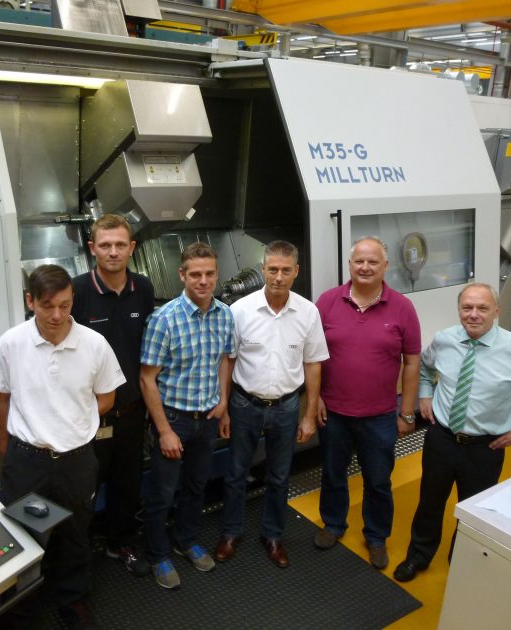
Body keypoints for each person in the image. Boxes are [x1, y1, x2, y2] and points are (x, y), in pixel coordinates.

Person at [393, 283, 511, 582]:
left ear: (496, 311)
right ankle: (418, 556)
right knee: (429, 502)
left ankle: (461, 564)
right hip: (441, 439)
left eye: (482, 308)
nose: (473, 314)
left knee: (473, 510)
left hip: (485, 448)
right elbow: (424, 368)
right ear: (459, 310)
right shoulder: (445, 340)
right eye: (467, 307)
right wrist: (425, 394)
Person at [0, 264, 125, 629]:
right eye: (47, 306)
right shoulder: (11, 343)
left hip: (76, 460)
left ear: (72, 300)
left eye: (64, 305)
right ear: (30, 301)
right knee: (23, 533)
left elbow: (107, 398)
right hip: (27, 460)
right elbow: (3, 396)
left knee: (75, 532)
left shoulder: (94, 344)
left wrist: (71, 417)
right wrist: (4, 441)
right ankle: (20, 608)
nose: (56, 315)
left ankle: (73, 599)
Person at [215, 241, 329, 568]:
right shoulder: (240, 311)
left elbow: (313, 365)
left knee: (279, 476)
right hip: (244, 404)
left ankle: (273, 535)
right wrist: (224, 407)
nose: (279, 277)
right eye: (273, 269)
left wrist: (309, 414)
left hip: (286, 407)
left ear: (296, 272)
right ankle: (231, 532)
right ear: (263, 269)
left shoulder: (308, 312)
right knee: (236, 473)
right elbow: (228, 360)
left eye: (286, 270)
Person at [314, 236, 421, 570]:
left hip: (380, 416)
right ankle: (333, 524)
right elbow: (311, 356)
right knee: (333, 473)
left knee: (378, 480)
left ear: (385, 266)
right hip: (333, 412)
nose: (365, 267)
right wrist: (315, 398)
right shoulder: (327, 302)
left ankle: (376, 537)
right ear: (349, 265)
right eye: (359, 261)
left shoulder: (402, 307)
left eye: (373, 261)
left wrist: (407, 412)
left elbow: (412, 362)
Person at [139, 242, 235, 590]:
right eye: (195, 274)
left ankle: (185, 539)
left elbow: (225, 359)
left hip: (207, 418)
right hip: (174, 419)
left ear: (217, 274)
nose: (203, 281)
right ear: (182, 275)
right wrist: (164, 430)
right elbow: (147, 379)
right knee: (163, 492)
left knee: (196, 486)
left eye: (209, 274)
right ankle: (157, 554)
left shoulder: (225, 314)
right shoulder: (163, 319)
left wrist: (223, 403)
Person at [72, 214, 155, 577]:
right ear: (92, 248)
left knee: (127, 484)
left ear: (132, 248)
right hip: (90, 414)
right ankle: (77, 556)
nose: (113, 252)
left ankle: (121, 542)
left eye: (120, 244)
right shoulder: (77, 292)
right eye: (105, 245)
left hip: (132, 412)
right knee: (83, 489)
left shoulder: (144, 288)